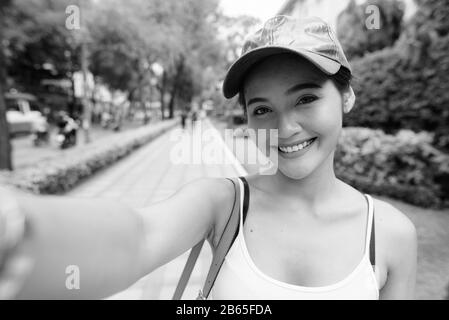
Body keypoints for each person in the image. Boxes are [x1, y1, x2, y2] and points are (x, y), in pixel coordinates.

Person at [0, 16, 417, 300]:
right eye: (262, 109)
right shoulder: (222, 204)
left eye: (306, 98)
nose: (286, 127)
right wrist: (18, 232)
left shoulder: (391, 236)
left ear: (346, 96)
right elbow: (138, 237)